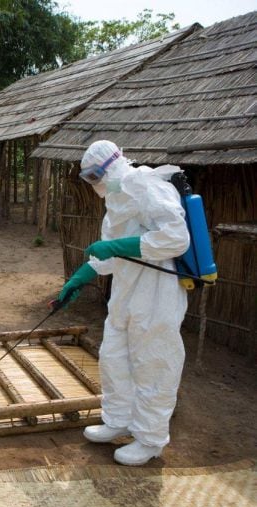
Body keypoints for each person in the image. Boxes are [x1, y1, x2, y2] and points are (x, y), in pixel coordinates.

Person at [56, 140, 190, 466]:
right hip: (126, 292)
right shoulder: (116, 200)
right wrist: (78, 279)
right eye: (86, 177)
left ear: (110, 166)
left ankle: (150, 439)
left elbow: (176, 237)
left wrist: (117, 247)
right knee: (113, 356)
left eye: (93, 176)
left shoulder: (146, 185)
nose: (92, 184)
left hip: (157, 291)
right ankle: (117, 420)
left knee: (153, 363)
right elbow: (108, 253)